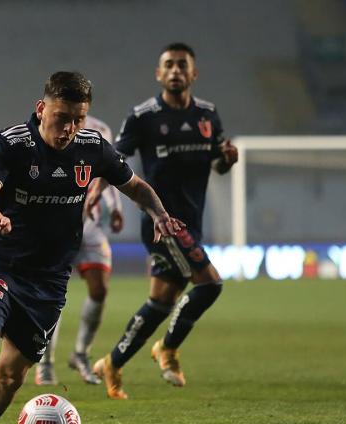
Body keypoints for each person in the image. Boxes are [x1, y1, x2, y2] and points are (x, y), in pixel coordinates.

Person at [0, 71, 182, 424]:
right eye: (61, 117)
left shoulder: (92, 148)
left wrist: (159, 214)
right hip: (1, 264)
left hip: (50, 282)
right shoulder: (13, 143)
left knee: (10, 376)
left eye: (78, 118)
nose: (69, 128)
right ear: (41, 109)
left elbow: (134, 184)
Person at [92, 42, 238, 400]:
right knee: (209, 285)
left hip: (193, 221)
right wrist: (94, 192)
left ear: (193, 73)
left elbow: (217, 163)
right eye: (169, 65)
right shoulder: (143, 116)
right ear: (159, 74)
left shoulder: (208, 114)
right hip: (163, 223)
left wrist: (227, 160)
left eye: (182, 65)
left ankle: (113, 361)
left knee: (161, 300)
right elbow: (112, 159)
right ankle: (168, 350)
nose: (175, 70)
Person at [35, 115, 124, 386]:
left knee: (100, 289)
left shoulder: (101, 129)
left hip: (90, 222)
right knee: (52, 294)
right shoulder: (48, 126)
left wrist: (116, 207)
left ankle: (80, 353)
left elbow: (109, 170)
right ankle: (45, 363)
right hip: (54, 221)